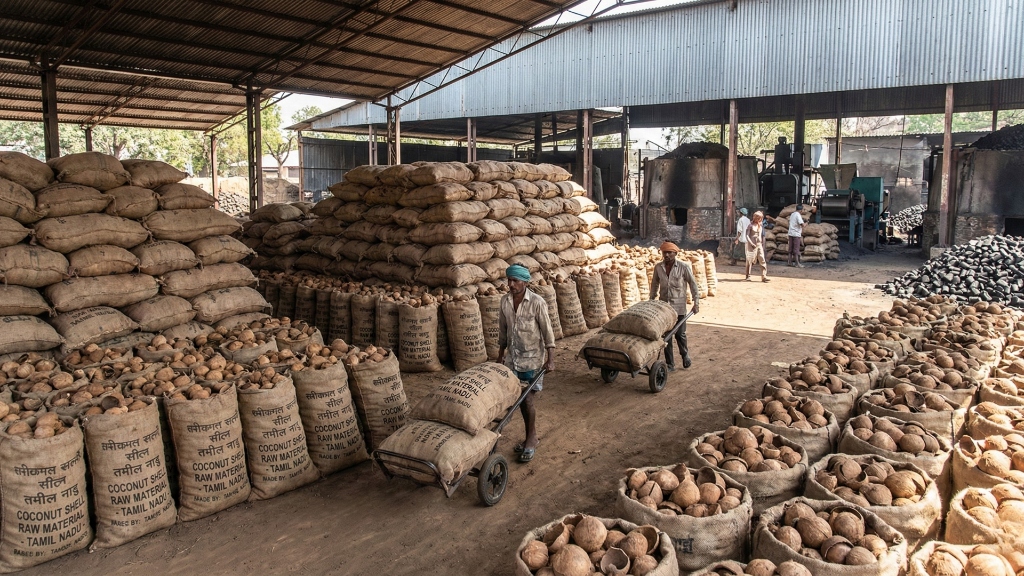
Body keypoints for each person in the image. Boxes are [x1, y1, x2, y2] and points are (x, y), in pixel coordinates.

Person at [496, 264, 555, 463]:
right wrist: (499, 356)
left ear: (525, 282)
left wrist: (551, 358)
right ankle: (532, 436)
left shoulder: (537, 302)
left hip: (532, 361)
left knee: (527, 400)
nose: (511, 285)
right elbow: (503, 332)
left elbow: (547, 332)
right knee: (514, 401)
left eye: (515, 281)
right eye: (509, 280)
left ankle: (531, 439)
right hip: (513, 360)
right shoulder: (505, 302)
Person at [649, 241, 700, 370]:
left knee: (680, 335)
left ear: (675, 254)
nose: (666, 255)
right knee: (666, 337)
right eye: (664, 252)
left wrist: (696, 302)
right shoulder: (658, 267)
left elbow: (693, 285)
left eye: (669, 253)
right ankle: (670, 364)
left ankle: (685, 355)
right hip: (664, 308)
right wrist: (651, 300)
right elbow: (654, 284)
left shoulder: (683, 267)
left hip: (679, 307)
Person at [745, 211, 769, 282]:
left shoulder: (760, 226)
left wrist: (763, 245)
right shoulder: (750, 226)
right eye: (759, 218)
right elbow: (747, 235)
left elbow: (762, 236)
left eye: (761, 218)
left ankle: (764, 276)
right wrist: (751, 243)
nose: (760, 220)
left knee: (762, 260)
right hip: (751, 246)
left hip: (759, 245)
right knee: (750, 260)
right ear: (755, 218)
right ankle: (748, 275)